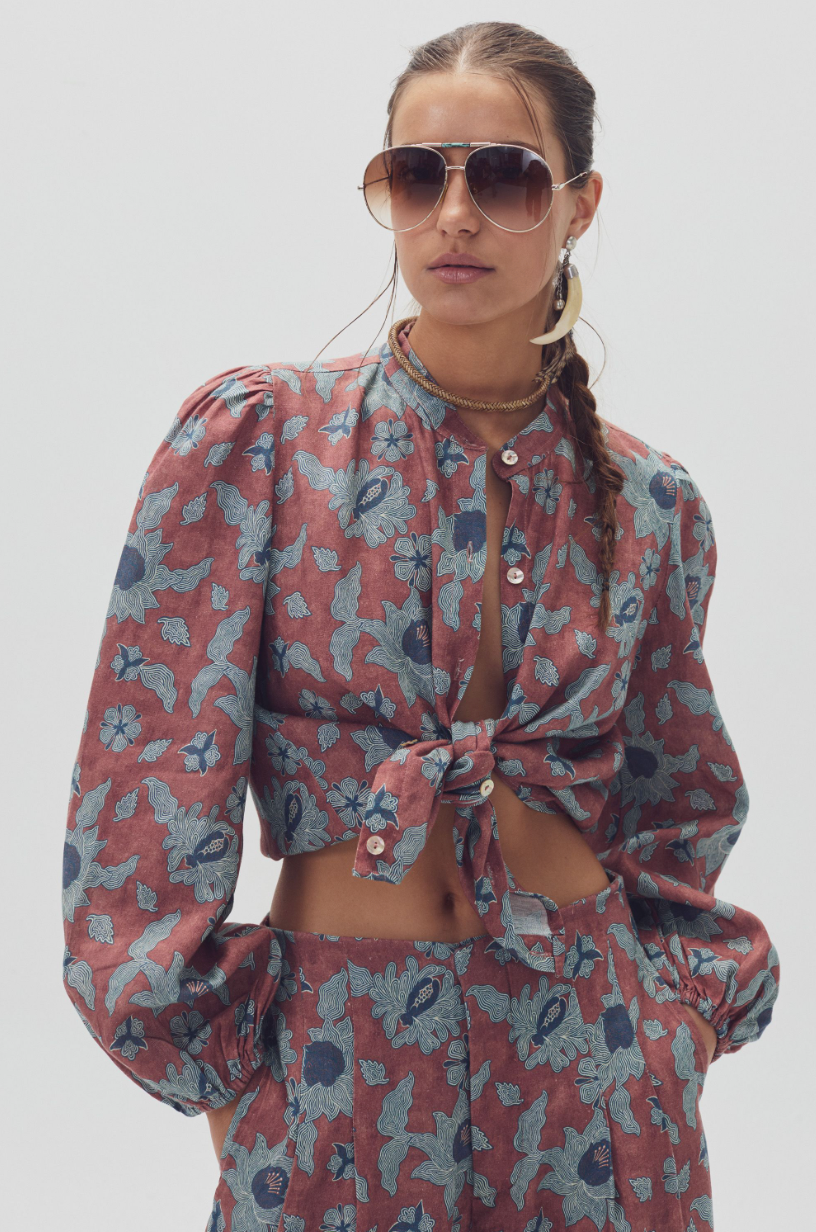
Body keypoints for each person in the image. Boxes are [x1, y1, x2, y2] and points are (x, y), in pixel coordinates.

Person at [62, 20, 779, 1230]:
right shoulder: (262, 445)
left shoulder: (650, 502)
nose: (455, 214)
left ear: (580, 203)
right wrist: (231, 1078)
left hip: (595, 1059)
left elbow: (679, 800)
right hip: (334, 1060)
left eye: (505, 177)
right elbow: (145, 789)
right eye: (417, 175)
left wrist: (676, 1028)